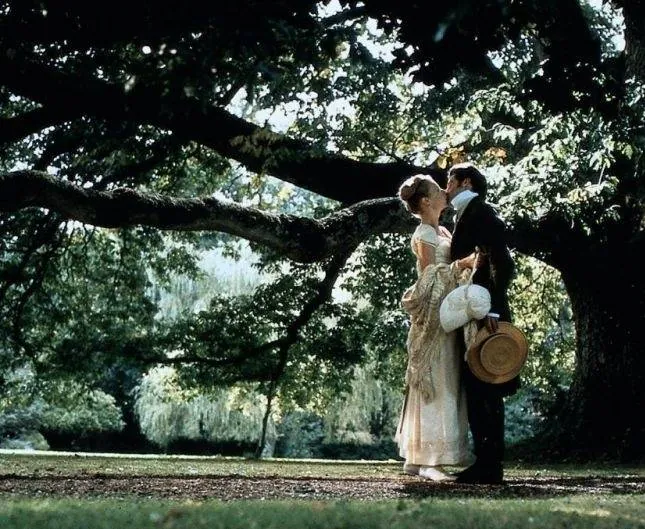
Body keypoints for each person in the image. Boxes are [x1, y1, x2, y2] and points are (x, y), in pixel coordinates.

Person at [395, 174, 475, 482]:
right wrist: (461, 265)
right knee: (435, 379)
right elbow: (429, 278)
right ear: (427, 201)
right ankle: (428, 459)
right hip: (433, 317)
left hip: (448, 313)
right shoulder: (424, 233)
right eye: (438, 189)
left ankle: (419, 459)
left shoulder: (441, 230)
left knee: (447, 378)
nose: (445, 191)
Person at [445, 162, 516, 484]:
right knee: (477, 388)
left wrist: (494, 310)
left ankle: (490, 465)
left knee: (486, 387)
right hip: (473, 312)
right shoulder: (465, 214)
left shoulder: (483, 213)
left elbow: (503, 263)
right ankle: (485, 462)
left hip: (487, 314)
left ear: (466, 182)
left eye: (450, 180)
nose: (446, 187)